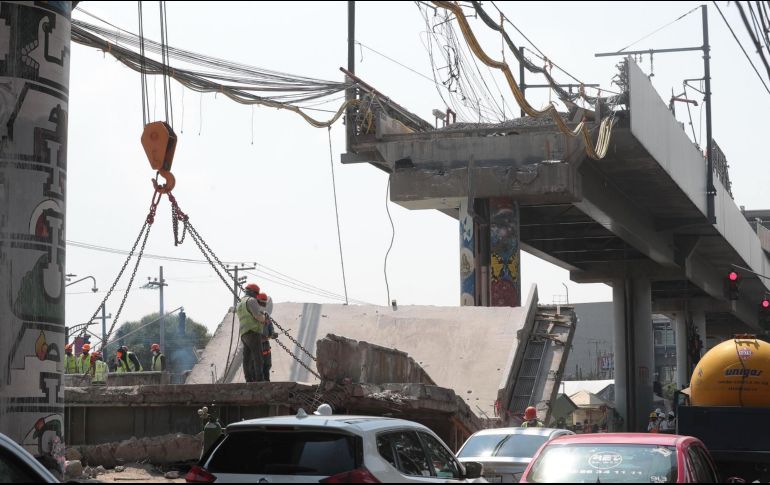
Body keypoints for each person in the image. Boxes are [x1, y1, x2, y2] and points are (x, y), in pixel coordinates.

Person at [237, 283, 268, 382]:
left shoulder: (240, 303)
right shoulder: (251, 300)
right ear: (253, 292)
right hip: (253, 332)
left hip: (244, 334)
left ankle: (249, 380)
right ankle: (259, 380)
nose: (256, 296)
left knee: (246, 359)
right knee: (258, 358)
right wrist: (264, 319)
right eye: (256, 294)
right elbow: (257, 316)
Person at [257, 293, 279, 382]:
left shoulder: (266, 315)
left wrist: (273, 333)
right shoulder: (254, 315)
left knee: (267, 365)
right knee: (259, 367)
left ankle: (267, 382)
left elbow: (270, 326)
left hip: (266, 345)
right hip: (257, 345)